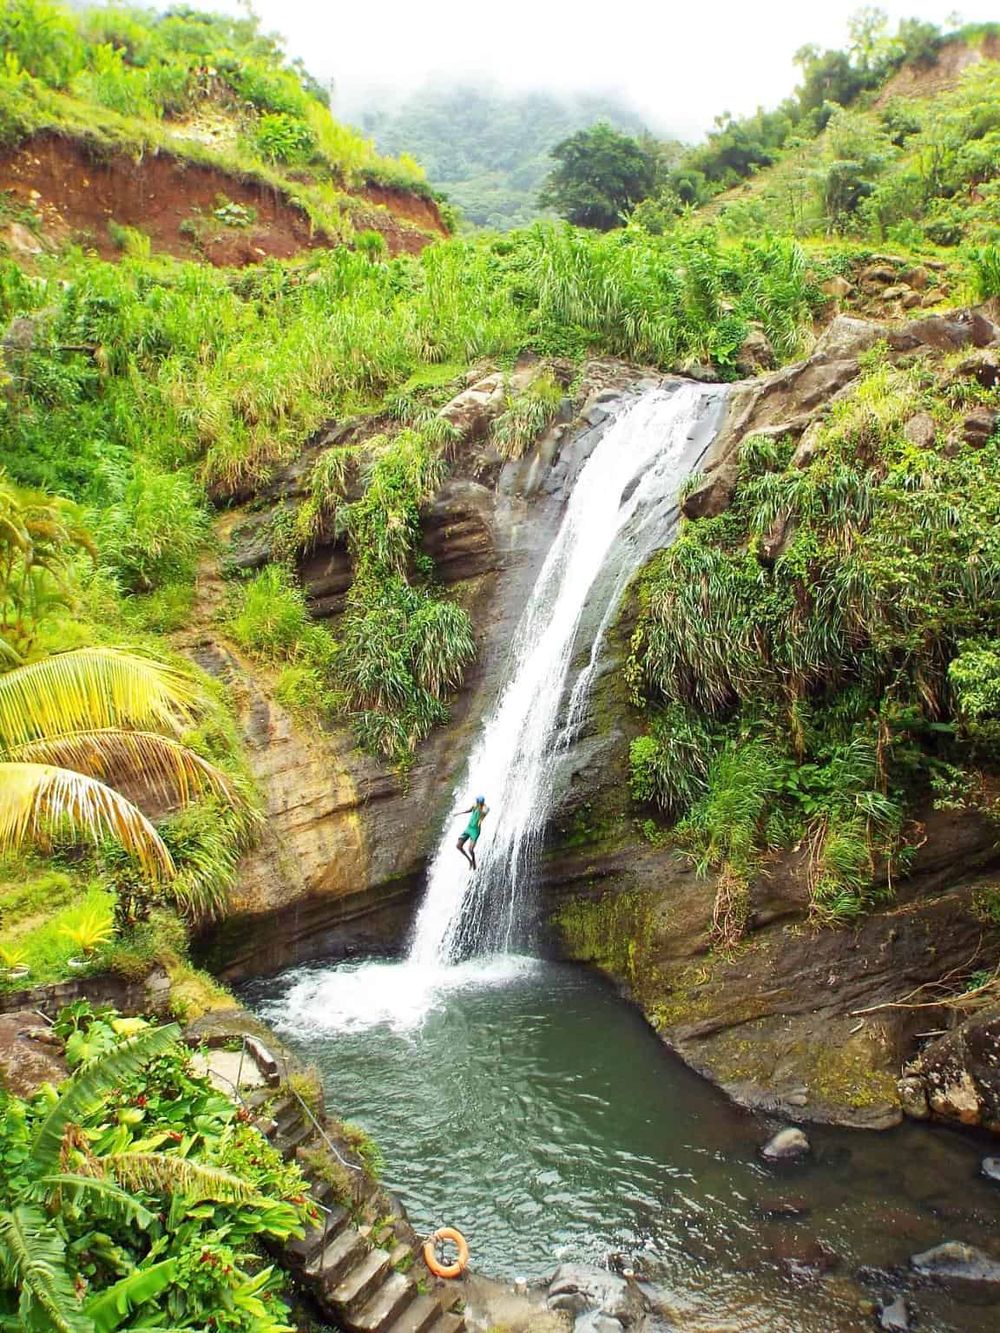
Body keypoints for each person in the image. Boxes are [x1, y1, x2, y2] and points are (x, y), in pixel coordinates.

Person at [455, 796, 488, 870]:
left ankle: (474, 862)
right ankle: (469, 861)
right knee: (458, 846)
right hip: (468, 828)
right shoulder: (475, 805)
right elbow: (469, 810)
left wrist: (480, 807)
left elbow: (483, 814)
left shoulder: (485, 809)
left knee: (470, 849)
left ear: (481, 803)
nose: (476, 802)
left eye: (477, 802)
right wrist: (459, 813)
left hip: (475, 830)